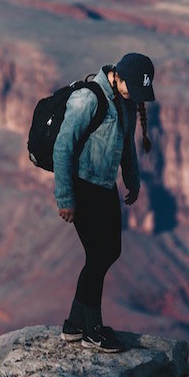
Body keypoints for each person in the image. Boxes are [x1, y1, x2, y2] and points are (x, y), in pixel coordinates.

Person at [53, 52, 155, 353]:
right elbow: (62, 148)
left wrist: (132, 180)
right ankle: (91, 330)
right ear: (118, 77)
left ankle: (74, 324)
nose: (134, 97)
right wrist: (65, 197)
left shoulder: (124, 100)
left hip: (105, 186)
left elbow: (126, 146)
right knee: (98, 255)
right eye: (131, 89)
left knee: (110, 251)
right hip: (83, 188)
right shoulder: (88, 99)